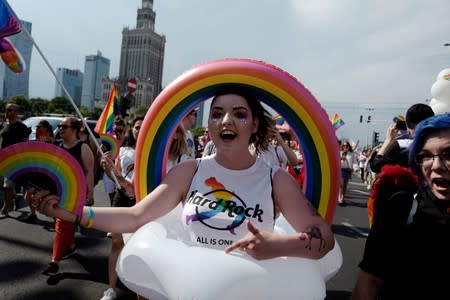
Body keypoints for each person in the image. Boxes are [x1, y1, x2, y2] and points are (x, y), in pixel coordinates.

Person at [31, 87, 335, 284]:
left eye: (239, 114)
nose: (225, 120)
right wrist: (71, 212)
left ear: (254, 125)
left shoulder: (274, 178)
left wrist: (278, 245)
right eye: (217, 114)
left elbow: (323, 238)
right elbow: (136, 217)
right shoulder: (190, 171)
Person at [352, 113, 450, 299]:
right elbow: (369, 281)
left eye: (449, 154)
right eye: (426, 156)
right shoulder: (401, 207)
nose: (436, 165)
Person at [41, 117, 95, 276]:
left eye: (64, 126)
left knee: (61, 225)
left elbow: (89, 172)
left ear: (75, 129)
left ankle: (54, 262)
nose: (60, 129)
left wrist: (90, 194)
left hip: (75, 193)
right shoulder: (58, 146)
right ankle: (71, 245)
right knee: (64, 223)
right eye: (59, 126)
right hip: (57, 191)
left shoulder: (83, 148)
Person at [100, 116, 143, 300]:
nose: (139, 130)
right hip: (121, 199)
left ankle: (141, 291)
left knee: (140, 247)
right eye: (136, 127)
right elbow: (116, 177)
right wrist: (108, 170)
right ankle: (111, 288)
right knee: (117, 244)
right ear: (131, 129)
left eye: (143, 127)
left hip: (142, 202)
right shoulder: (124, 150)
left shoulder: (155, 151)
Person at [370, 103, 434, 174]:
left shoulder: (402, 145)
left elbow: (376, 166)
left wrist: (388, 140)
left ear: (408, 125)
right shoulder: (441, 143)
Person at [21, 120, 55, 223]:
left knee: (46, 197)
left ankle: (56, 218)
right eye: (37, 127)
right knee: (28, 195)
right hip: (34, 172)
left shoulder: (50, 139)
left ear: (46, 128)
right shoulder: (36, 139)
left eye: (40, 127)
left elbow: (48, 144)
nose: (38, 129)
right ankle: (33, 214)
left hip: (45, 173)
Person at [1, 103, 31, 215]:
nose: (6, 112)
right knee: (3, 187)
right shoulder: (4, 125)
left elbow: (25, 145)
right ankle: (16, 197)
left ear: (17, 113)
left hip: (13, 161)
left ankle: (5, 208)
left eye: (10, 110)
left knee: (7, 185)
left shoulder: (22, 127)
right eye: (6, 109)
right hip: (2, 159)